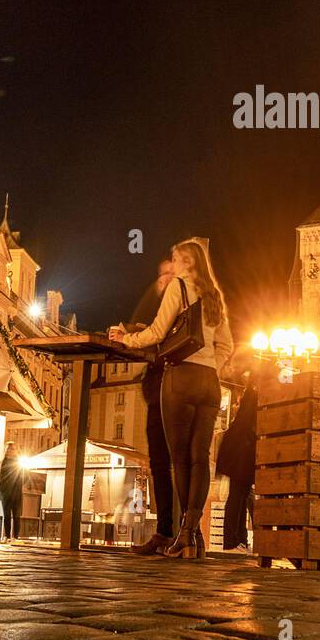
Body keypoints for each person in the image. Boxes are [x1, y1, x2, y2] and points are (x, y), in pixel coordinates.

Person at [112, 238, 233, 559]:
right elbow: (227, 346)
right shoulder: (214, 296)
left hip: (180, 377)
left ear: (189, 263)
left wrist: (126, 339)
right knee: (200, 460)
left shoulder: (178, 287)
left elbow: (156, 332)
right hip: (209, 383)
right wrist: (211, 367)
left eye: (177, 258)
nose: (172, 264)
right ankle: (191, 535)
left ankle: (185, 534)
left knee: (179, 461)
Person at [128, 257, 177, 556]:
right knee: (161, 462)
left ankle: (174, 531)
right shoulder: (164, 304)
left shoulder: (181, 300)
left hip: (170, 388)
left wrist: (132, 337)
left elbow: (157, 335)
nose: (163, 280)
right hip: (160, 387)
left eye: (170, 273)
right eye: (161, 275)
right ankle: (168, 531)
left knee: (173, 462)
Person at [216, 360, 262, 551]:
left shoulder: (251, 391)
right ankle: (233, 540)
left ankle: (237, 539)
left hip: (239, 448)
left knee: (240, 494)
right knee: (238, 494)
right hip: (242, 449)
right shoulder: (254, 392)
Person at [0, 443, 24, 542]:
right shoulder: (2, 463)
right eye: (9, 449)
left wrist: (19, 489)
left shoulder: (18, 463)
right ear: (6, 450)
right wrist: (2, 490)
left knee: (16, 516)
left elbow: (23, 478)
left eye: (13, 449)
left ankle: (15, 537)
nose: (11, 451)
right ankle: (7, 537)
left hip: (17, 494)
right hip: (6, 494)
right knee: (7, 516)